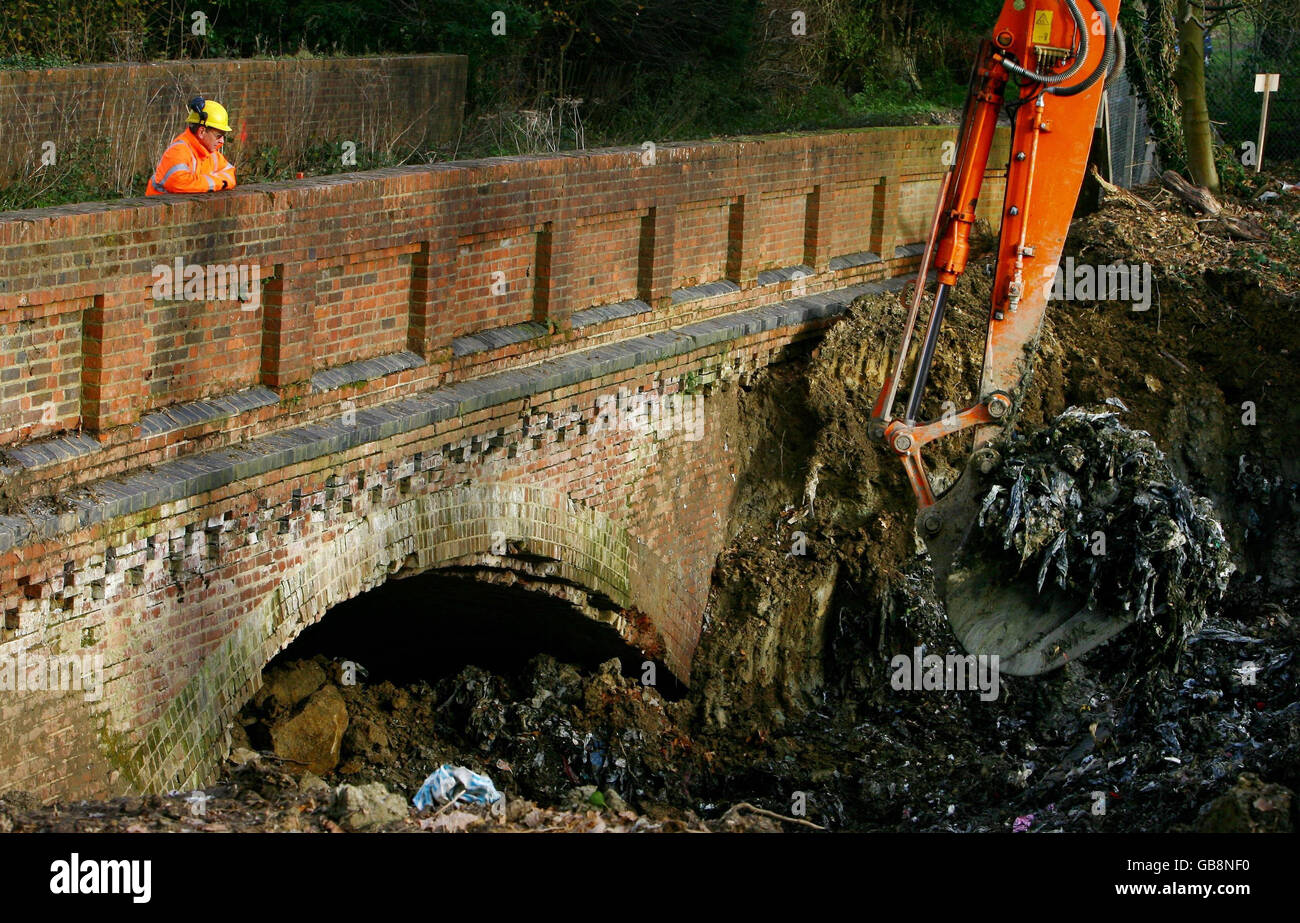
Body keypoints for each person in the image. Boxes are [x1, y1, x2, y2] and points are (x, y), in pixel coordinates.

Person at [146, 96, 237, 195]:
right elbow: (179, 183)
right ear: (201, 131)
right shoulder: (179, 151)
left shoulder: (211, 155)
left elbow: (230, 175)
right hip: (161, 208)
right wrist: (216, 182)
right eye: (218, 136)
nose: (222, 141)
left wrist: (212, 183)